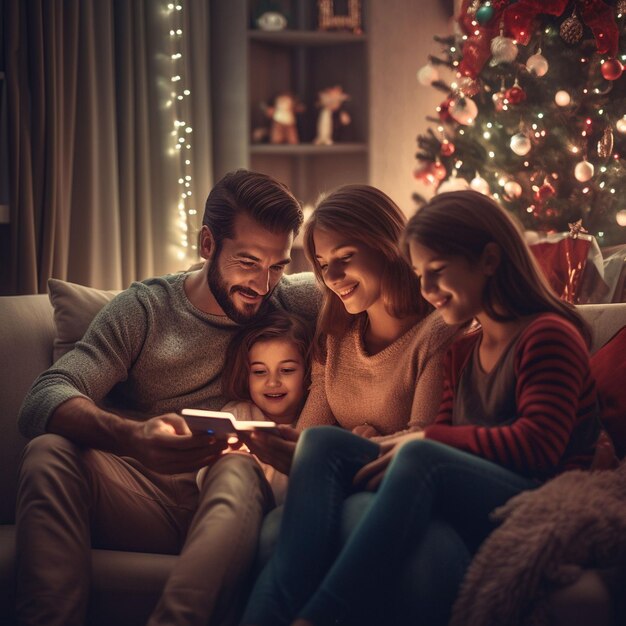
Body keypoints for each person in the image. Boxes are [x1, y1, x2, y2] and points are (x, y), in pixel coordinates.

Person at [241, 189, 603, 626]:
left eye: (436, 272)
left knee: (420, 453)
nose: (426, 289)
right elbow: (441, 436)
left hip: (538, 496)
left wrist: (424, 438)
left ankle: (321, 615)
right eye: (419, 273)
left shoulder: (547, 335)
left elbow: (539, 446)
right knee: (320, 443)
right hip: (468, 482)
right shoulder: (464, 349)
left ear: (489, 261)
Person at [15, 169, 320, 626]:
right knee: (48, 452)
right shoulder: (144, 309)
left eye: (277, 265)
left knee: (235, 464)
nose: (263, 283)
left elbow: (381, 280)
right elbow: (44, 396)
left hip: (232, 498)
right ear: (207, 244)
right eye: (248, 261)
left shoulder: (290, 302)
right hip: (144, 494)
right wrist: (132, 437)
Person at [245, 184, 458, 475]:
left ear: (388, 246)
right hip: (338, 478)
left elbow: (425, 441)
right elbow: (308, 437)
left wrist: (347, 448)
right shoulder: (335, 335)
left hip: (399, 485)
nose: (331, 277)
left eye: (345, 258)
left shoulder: (438, 331)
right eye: (322, 265)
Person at [197, 310, 313, 506]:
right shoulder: (238, 415)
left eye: (287, 370)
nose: (273, 382)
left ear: (309, 371)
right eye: (260, 372)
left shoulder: (318, 418)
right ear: (246, 375)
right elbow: (204, 478)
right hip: (243, 506)